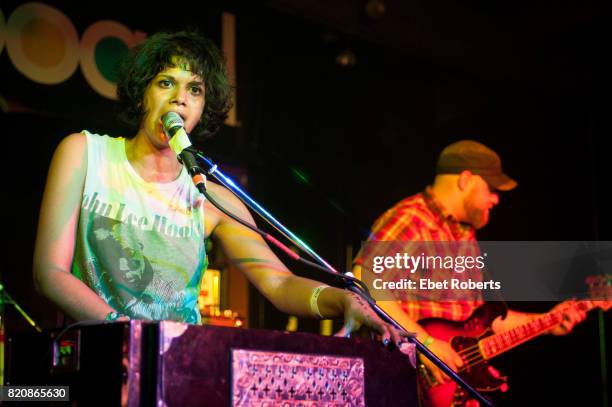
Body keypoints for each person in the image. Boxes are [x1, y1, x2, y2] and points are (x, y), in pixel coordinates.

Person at [32, 30, 404, 346]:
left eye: (194, 89)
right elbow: (50, 272)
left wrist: (341, 301)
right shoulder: (85, 154)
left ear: (203, 108)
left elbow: (277, 283)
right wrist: (131, 334)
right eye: (166, 83)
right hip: (97, 357)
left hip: (179, 363)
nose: (180, 97)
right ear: (142, 92)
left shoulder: (210, 196)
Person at [352, 140, 586, 403]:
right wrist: (427, 345)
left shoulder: (465, 237)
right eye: (491, 188)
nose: (496, 199)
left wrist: (548, 322)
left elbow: (482, 321)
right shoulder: (413, 219)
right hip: (402, 386)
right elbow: (363, 281)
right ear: (465, 179)